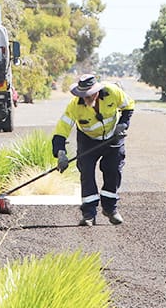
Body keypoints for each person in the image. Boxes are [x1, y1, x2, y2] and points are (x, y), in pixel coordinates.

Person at [51, 73, 135, 225]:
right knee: (87, 172)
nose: (86, 98)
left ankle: (110, 209)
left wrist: (123, 124)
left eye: (89, 95)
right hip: (87, 141)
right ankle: (89, 214)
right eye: (83, 95)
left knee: (113, 170)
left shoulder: (112, 92)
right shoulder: (75, 106)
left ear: (97, 91)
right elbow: (61, 129)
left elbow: (129, 106)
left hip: (113, 137)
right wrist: (61, 153)